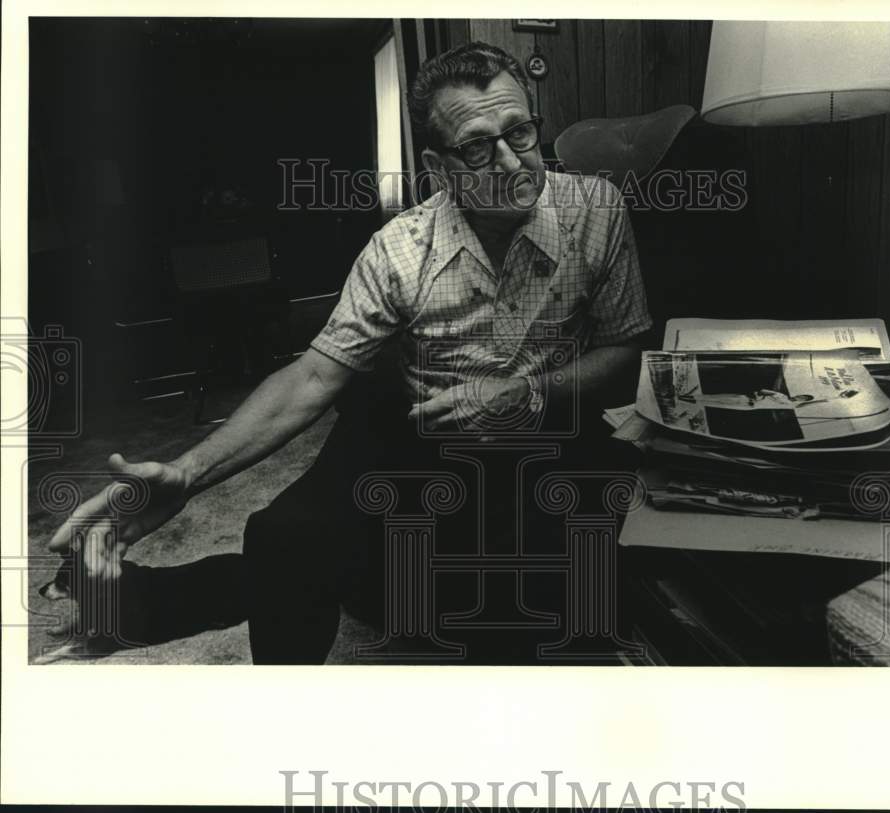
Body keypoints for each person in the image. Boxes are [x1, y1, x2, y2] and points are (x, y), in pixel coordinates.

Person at [47, 42, 653, 664]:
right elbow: (312, 374)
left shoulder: (598, 211)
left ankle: (143, 604)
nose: (511, 161)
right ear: (439, 167)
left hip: (547, 430)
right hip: (421, 431)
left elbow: (623, 349)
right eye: (476, 147)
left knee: (529, 608)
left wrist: (528, 392)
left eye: (520, 131)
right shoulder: (397, 250)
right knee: (286, 540)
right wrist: (188, 474)